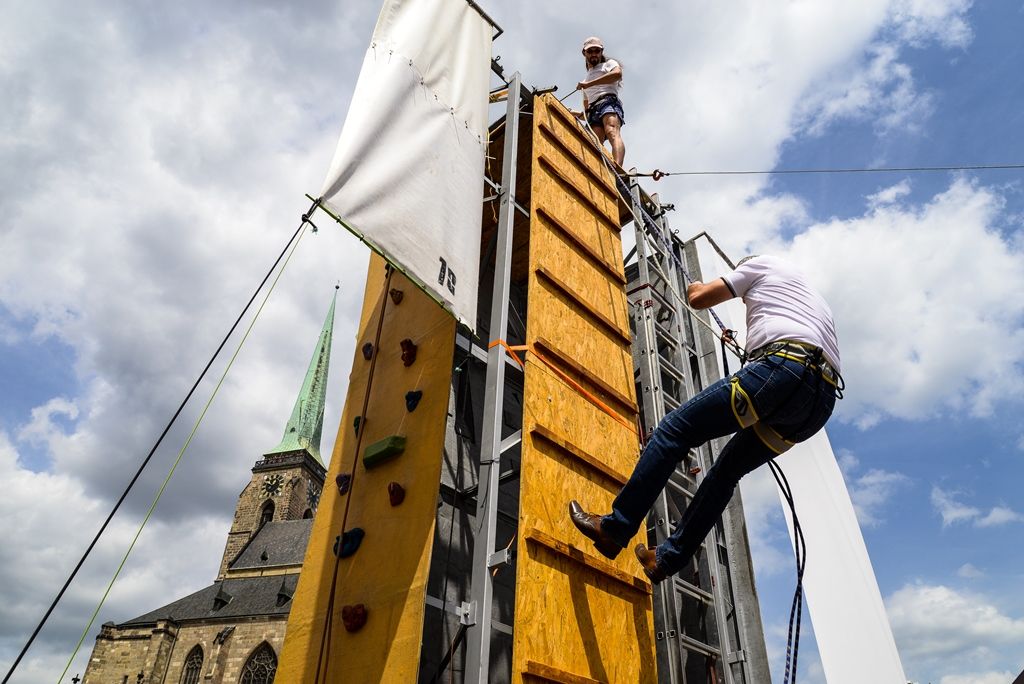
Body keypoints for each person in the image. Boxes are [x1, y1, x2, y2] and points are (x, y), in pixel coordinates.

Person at [569, 255, 843, 583]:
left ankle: (615, 528)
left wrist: (696, 286)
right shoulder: (808, 295)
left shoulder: (759, 264)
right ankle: (666, 559)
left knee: (674, 430)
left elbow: (699, 298)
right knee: (727, 474)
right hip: (818, 404)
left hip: (784, 368)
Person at [574, 36, 625, 166]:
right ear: (584, 53)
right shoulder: (584, 82)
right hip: (593, 111)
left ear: (601, 52)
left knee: (612, 131)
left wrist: (589, 84)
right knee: (595, 144)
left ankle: (618, 168)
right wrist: (574, 114)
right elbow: (586, 114)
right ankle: (597, 169)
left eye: (597, 51)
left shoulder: (608, 64)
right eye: (590, 51)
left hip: (608, 101)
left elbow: (617, 74)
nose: (594, 54)